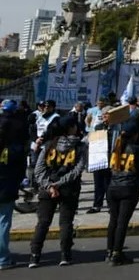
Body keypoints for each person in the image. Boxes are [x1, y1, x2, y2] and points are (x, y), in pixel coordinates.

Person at [29, 114, 87, 268]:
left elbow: (39, 170)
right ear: (71, 128)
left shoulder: (49, 145)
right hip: (69, 189)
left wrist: (49, 186)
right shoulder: (79, 146)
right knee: (66, 222)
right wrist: (58, 184)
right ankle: (65, 255)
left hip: (47, 189)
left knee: (43, 222)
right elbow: (77, 170)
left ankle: (34, 256)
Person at [105, 119, 139, 265]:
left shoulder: (116, 148)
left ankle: (109, 250)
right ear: (135, 134)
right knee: (122, 222)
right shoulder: (136, 149)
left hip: (113, 187)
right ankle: (117, 253)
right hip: (129, 187)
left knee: (113, 220)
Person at [0, 100, 27, 270]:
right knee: (3, 221)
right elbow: (20, 166)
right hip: (6, 185)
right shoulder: (15, 147)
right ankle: (2, 258)